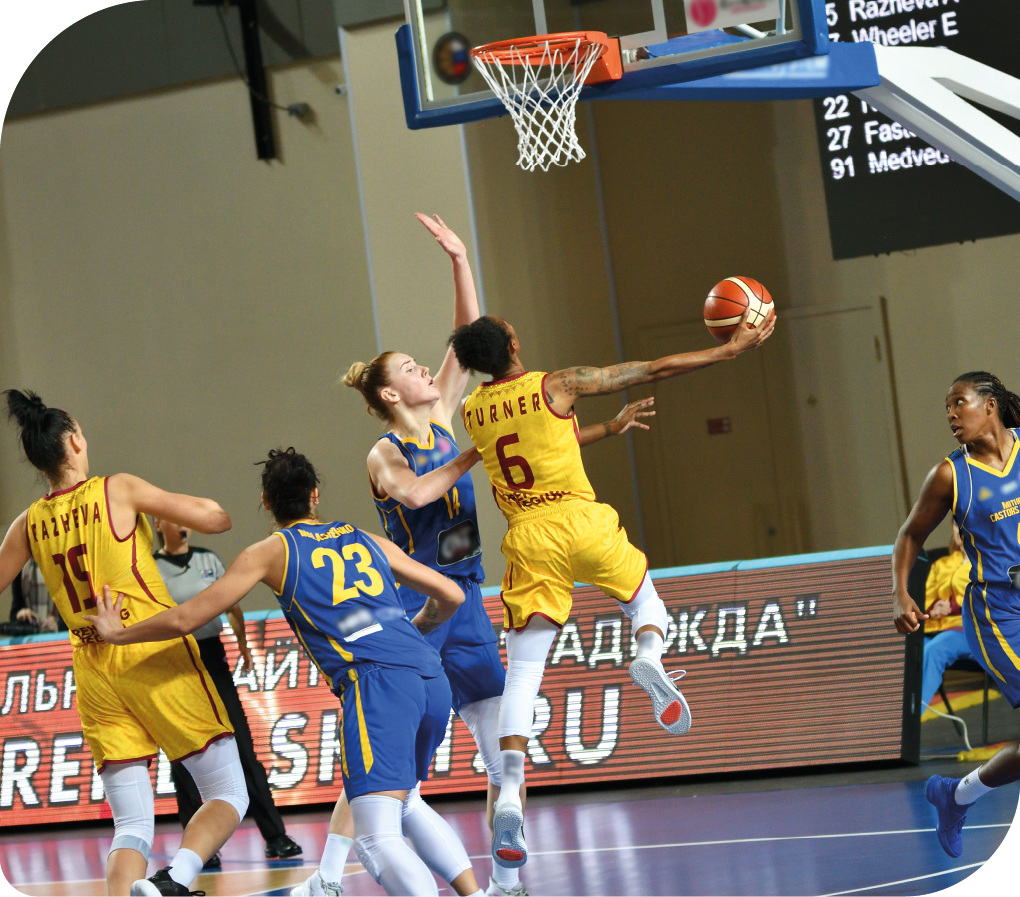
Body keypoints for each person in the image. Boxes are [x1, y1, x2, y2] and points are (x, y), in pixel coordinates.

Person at [335, 213, 654, 897]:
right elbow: (419, 496)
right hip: (418, 608)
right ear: (392, 393)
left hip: (470, 596)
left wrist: (459, 259)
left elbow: (468, 341)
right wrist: (464, 463)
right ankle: (329, 875)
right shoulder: (385, 452)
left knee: (500, 751)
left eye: (430, 366)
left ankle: (505, 874)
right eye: (413, 369)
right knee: (390, 764)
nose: (430, 368)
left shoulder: (450, 416)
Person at [448, 309, 775, 869]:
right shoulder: (559, 383)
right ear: (513, 339)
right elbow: (650, 368)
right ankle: (648, 656)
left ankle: (508, 797)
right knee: (646, 603)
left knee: (523, 675)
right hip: (580, 520)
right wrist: (726, 351)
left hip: (527, 539)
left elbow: (539, 444)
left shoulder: (472, 411)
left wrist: (606, 429)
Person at [85, 447, 486, 897]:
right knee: (407, 800)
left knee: (376, 837)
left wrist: (119, 634)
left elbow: (186, 619)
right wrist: (413, 632)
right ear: (315, 495)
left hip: (377, 685)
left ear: (266, 502)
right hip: (429, 677)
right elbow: (450, 594)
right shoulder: (366, 538)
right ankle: (476, 893)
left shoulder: (269, 553)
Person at [0, 390, 248, 897]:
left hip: (92, 666)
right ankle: (174, 881)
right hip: (149, 648)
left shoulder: (28, 522)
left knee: (131, 825)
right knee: (227, 792)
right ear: (73, 442)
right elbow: (216, 518)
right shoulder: (117, 488)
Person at [891, 372, 1020, 858]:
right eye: (946, 407)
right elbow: (909, 536)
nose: (950, 414)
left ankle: (956, 794)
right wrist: (900, 592)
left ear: (990, 406)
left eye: (958, 403)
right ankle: (956, 795)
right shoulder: (950, 474)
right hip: (997, 614)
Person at [153, 520, 302, 867]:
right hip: (175, 664)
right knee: (184, 758)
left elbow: (232, 605)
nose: (183, 525)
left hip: (213, 660)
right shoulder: (152, 567)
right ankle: (201, 849)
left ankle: (275, 836)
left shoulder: (208, 559)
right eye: (173, 518)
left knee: (244, 747)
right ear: (159, 524)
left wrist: (244, 647)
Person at [920, 519, 973, 711]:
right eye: (956, 525)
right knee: (906, 653)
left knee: (936, 650)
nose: (961, 530)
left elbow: (991, 597)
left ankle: (908, 725)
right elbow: (924, 598)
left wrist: (953, 605)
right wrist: (932, 608)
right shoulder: (941, 564)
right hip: (934, 628)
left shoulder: (992, 561)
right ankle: (885, 718)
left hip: (971, 630)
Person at [10, 556, 65, 632]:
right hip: (32, 637)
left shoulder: (64, 561)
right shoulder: (20, 567)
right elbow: (14, 615)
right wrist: (22, 614)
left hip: (62, 636)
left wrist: (59, 624)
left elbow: (77, 615)